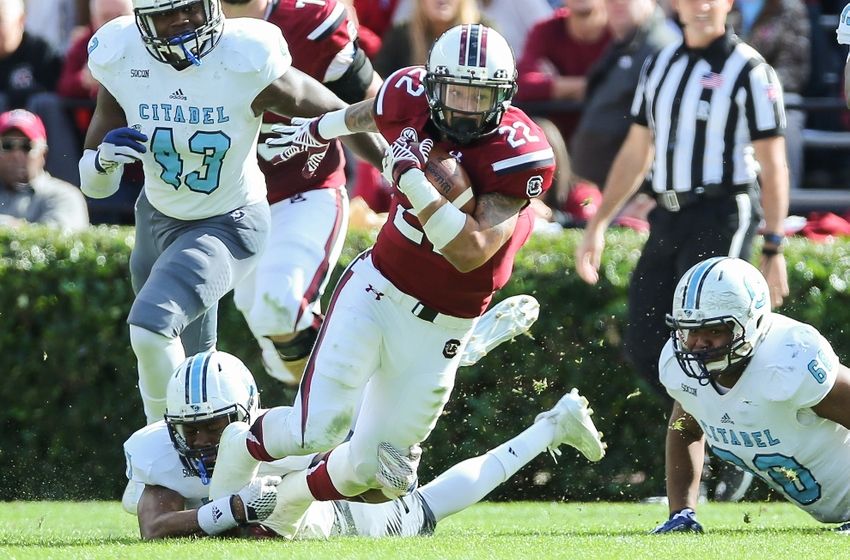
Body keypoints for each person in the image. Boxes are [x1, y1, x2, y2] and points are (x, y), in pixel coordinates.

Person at [208, 23, 556, 534]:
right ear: (433, 86)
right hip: (377, 289)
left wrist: (413, 178)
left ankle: (285, 501)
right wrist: (313, 131)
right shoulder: (408, 93)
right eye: (454, 92)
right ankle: (237, 457)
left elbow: (468, 251)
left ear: (503, 96)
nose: (463, 107)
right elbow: (369, 112)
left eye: (478, 96)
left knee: (385, 474)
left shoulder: (520, 152)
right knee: (315, 427)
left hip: (445, 326)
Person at [77, 0, 386, 427]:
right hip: (161, 214)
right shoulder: (122, 53)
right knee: (198, 356)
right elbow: (97, 186)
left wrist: (398, 168)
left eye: (190, 8)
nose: (181, 21)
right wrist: (102, 162)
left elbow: (339, 109)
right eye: (165, 14)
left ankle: (341, 413)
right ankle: (223, 451)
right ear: (142, 21)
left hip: (258, 206)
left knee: (260, 310)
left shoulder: (250, 51)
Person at [124, 349, 605, 539]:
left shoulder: (281, 436)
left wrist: (387, 486)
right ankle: (548, 424)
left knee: (420, 507)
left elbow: (352, 481)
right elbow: (154, 527)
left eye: (216, 425)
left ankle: (545, 426)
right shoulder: (158, 450)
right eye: (193, 429)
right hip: (278, 501)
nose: (203, 440)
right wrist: (233, 507)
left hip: (335, 512)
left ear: (249, 411)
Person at [575, 0, 790, 403]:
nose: (702, 5)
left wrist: (774, 243)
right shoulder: (660, 64)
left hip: (722, 209)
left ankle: (725, 445)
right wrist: (598, 222)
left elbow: (773, 162)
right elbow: (637, 150)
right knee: (645, 341)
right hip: (669, 214)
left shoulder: (750, 69)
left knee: (711, 340)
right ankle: (704, 437)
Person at [220, 0, 382, 386]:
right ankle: (367, 380)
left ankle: (384, 366)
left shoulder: (309, 22)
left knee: (281, 306)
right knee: (282, 357)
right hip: (236, 208)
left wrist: (407, 165)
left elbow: (371, 101)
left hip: (305, 190)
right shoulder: (184, 25)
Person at [651, 256, 850, 533]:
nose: (698, 344)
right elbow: (685, 429)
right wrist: (681, 512)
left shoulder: (788, 360)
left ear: (751, 323)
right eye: (690, 330)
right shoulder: (680, 368)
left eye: (714, 330)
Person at [569, 0, 676, 212]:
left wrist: (650, 196)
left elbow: (667, 133)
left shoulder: (661, 48)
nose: (616, 2)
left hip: (631, 200)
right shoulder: (626, 41)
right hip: (596, 192)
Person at [514, 0, 612, 218]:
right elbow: (524, 84)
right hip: (552, 155)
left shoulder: (617, 31)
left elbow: (623, 89)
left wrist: (554, 83)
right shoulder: (546, 29)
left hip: (604, 158)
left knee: (586, 209)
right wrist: (589, 85)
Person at [727, 0, 810, 191]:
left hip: (778, 96)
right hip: (729, 93)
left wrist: (755, 86)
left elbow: (794, 70)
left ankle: (784, 204)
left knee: (786, 126)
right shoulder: (726, 5)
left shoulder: (790, 8)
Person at [0, 109, 89, 231]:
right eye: (7, 145)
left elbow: (58, 242)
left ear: (43, 154)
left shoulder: (65, 195)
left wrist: (8, 226)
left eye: (27, 146)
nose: (16, 154)